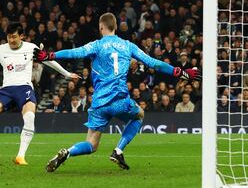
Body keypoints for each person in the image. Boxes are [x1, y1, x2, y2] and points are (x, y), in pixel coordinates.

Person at [34, 12, 200, 172]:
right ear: (115, 27)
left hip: (99, 102)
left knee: (91, 144)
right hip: (120, 100)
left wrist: (49, 55)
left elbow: (74, 52)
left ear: (101, 27)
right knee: (139, 114)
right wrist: (182, 72)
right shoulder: (128, 46)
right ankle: (118, 150)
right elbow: (154, 63)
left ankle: (68, 152)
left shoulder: (96, 45)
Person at [0, 24, 79, 165]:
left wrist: (66, 73)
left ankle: (20, 156)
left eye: (14, 36)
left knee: (30, 116)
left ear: (21, 36)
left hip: (24, 88)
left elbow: (48, 60)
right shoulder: (0, 50)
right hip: (7, 89)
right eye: (9, 37)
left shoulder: (31, 48)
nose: (11, 40)